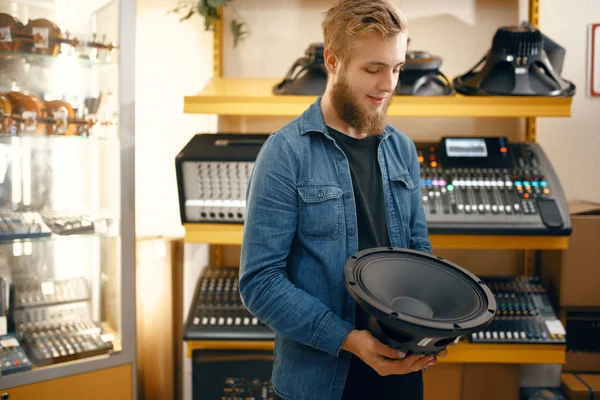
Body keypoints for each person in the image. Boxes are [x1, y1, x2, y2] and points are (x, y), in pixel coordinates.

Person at [239, 1, 449, 399]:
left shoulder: (402, 149)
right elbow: (260, 283)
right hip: (320, 381)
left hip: (402, 376)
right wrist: (350, 340)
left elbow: (418, 252)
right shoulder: (285, 153)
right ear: (333, 61)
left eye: (397, 68)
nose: (388, 85)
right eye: (373, 69)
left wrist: (428, 328)